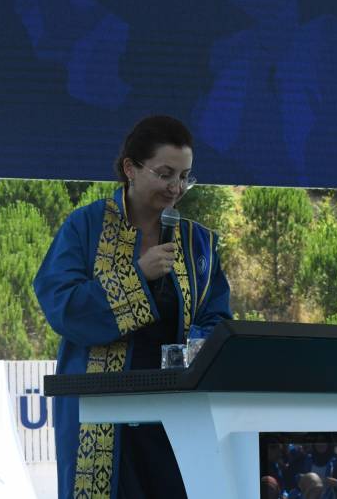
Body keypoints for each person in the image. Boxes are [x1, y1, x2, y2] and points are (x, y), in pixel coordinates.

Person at [34, 115, 232, 499]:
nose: (176, 188)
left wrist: (196, 348)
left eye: (185, 177)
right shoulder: (85, 226)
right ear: (130, 169)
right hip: (101, 414)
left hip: (177, 414)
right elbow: (62, 305)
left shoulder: (199, 243)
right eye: (165, 174)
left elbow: (216, 318)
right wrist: (137, 276)